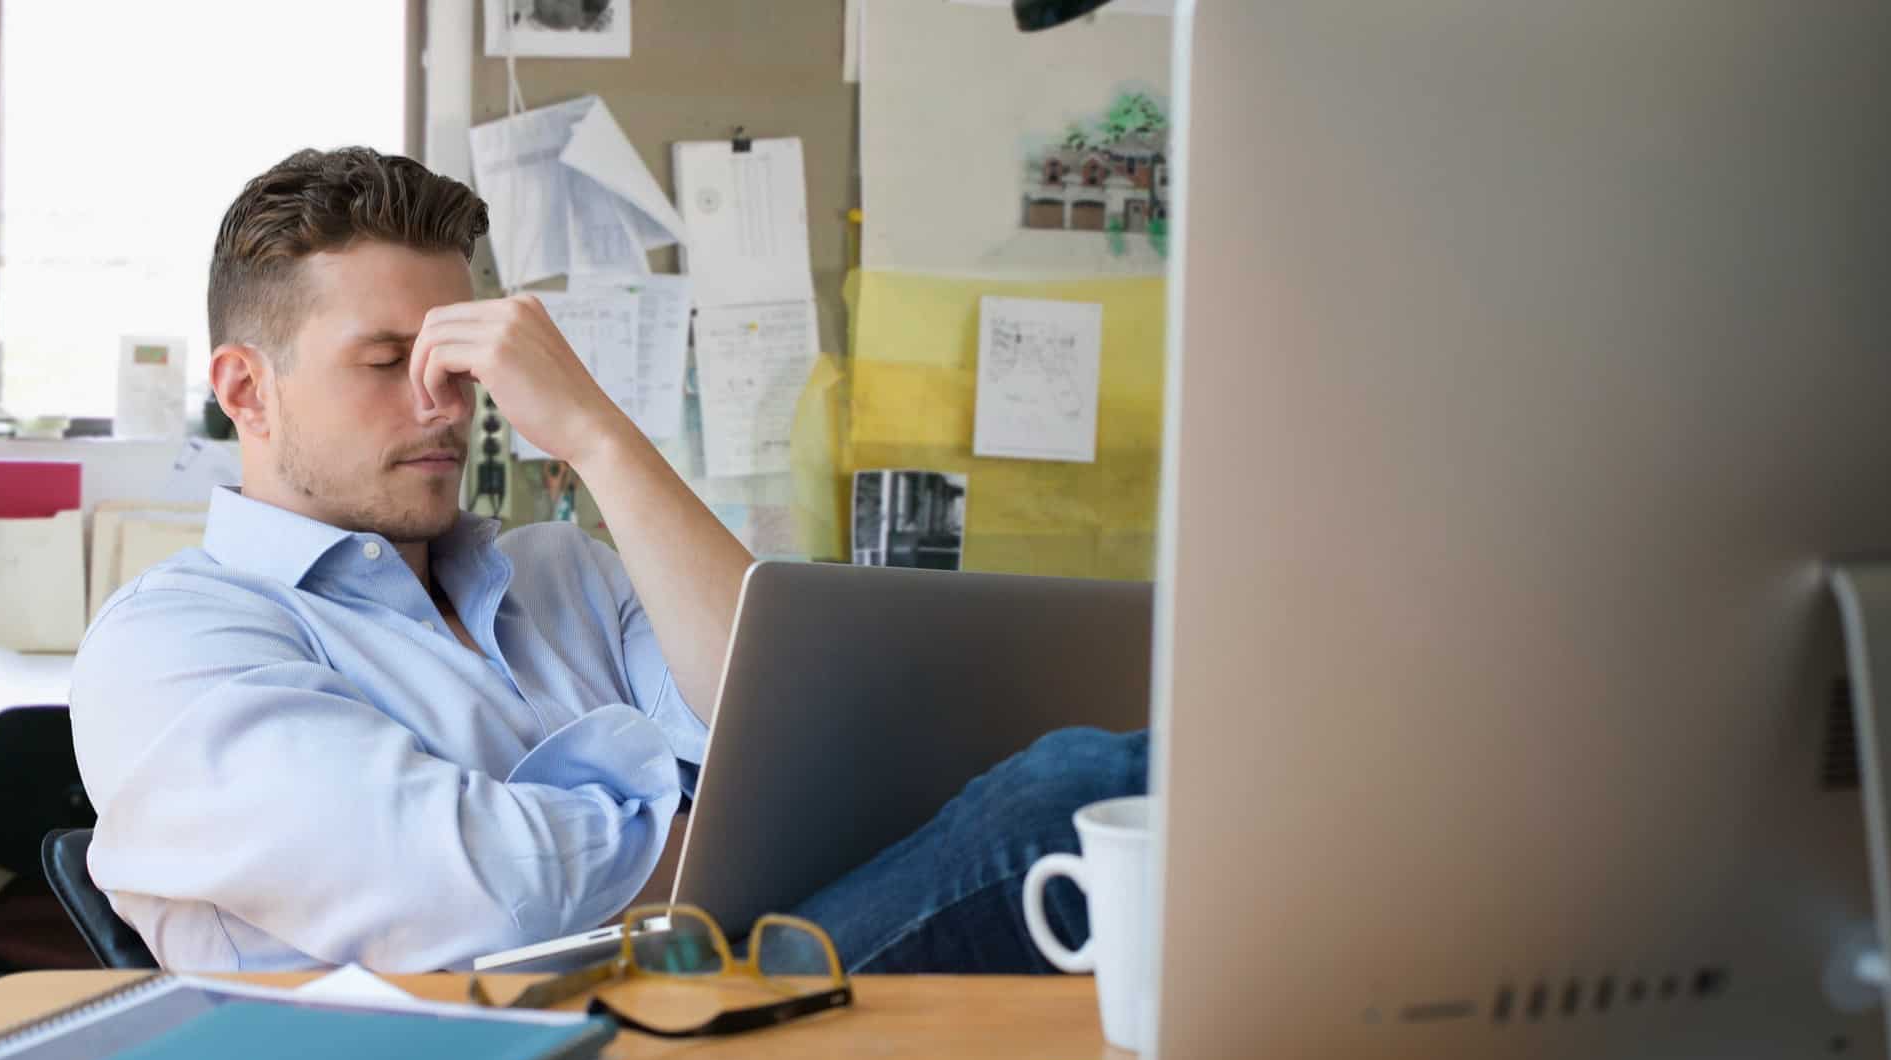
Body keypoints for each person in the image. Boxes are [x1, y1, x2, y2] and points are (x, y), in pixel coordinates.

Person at [69, 147, 1147, 973]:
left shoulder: (563, 569)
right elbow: (493, 889)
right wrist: (725, 831)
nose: (442, 402)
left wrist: (596, 436)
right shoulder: (170, 642)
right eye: (389, 360)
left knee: (1123, 770)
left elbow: (793, 739)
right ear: (245, 388)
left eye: (458, 358)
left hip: (706, 988)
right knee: (1082, 792)